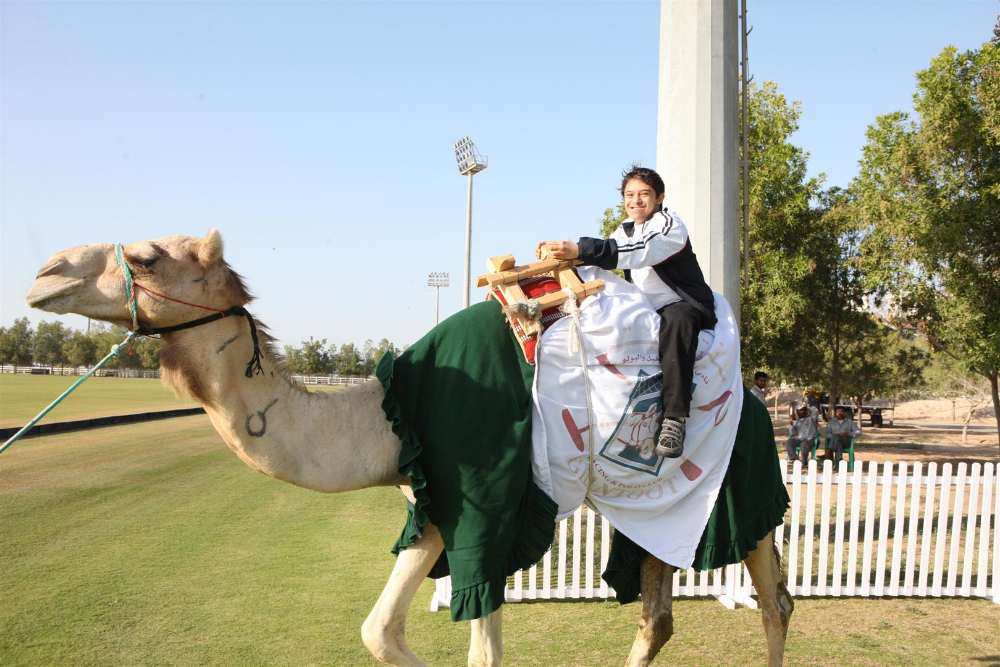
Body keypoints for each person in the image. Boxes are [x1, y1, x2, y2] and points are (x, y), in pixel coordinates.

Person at [536, 166, 716, 459]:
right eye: (629, 195)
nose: (636, 201)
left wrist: (579, 248)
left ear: (659, 197)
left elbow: (635, 251)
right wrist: (562, 256)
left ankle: (674, 418)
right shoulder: (624, 228)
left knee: (678, 319)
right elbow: (602, 259)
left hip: (680, 305)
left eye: (644, 194)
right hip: (642, 304)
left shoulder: (671, 226)